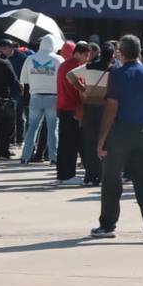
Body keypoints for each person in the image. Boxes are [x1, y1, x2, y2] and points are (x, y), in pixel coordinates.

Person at [89, 34, 143, 244]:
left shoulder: (117, 74)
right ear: (139, 51)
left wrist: (101, 139)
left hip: (120, 132)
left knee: (112, 180)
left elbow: (111, 108)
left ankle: (107, 225)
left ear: (120, 53)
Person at [68, 43, 115, 186]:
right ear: (112, 56)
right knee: (104, 142)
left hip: (89, 107)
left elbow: (70, 75)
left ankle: (89, 176)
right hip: (105, 108)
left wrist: (82, 88)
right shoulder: (114, 70)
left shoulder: (89, 66)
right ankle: (101, 176)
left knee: (90, 141)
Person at [19, 35, 64, 165]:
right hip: (53, 97)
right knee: (52, 129)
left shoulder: (30, 59)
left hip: (35, 97)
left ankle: (25, 157)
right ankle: (53, 158)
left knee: (32, 128)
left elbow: (23, 80)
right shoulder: (58, 59)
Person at [56, 41, 91, 185]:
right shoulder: (76, 67)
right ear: (80, 53)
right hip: (72, 108)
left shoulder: (64, 64)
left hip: (63, 106)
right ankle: (68, 176)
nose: (87, 59)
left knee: (64, 144)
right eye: (87, 56)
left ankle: (62, 174)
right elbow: (80, 88)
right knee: (71, 144)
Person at [0, 39, 31, 145]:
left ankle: (19, 139)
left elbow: (26, 74)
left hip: (19, 89)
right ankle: (10, 139)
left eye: (5, 49)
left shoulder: (22, 58)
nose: (3, 51)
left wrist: (24, 89)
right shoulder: (1, 57)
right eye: (1, 49)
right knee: (8, 115)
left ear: (12, 48)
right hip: (5, 89)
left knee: (19, 115)